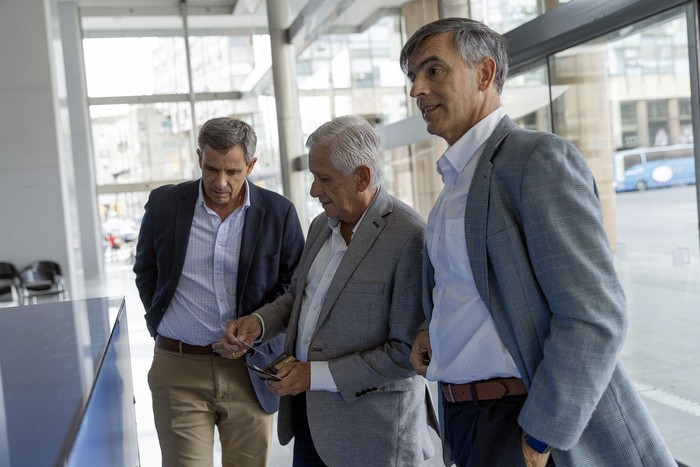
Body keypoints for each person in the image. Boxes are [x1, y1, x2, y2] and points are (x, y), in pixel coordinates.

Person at [399, 17, 676, 467]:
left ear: (485, 74)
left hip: (519, 419)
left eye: (434, 71)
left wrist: (542, 433)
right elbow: (472, 291)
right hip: (467, 418)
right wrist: (433, 332)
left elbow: (595, 315)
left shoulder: (536, 160)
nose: (416, 90)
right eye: (413, 77)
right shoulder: (454, 182)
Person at [213, 115, 437, 467]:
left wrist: (314, 374)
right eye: (314, 177)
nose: (314, 190)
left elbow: (405, 352)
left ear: (362, 176)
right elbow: (299, 298)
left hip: (372, 436)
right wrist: (258, 323)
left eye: (325, 179)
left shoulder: (409, 237)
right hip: (309, 425)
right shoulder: (321, 225)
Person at [133, 116, 305, 467]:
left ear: (251, 165)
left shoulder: (278, 213)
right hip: (178, 368)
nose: (221, 183)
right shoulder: (166, 205)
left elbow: (296, 287)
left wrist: (257, 325)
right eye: (212, 169)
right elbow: (146, 270)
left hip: (251, 371)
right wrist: (163, 323)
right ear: (199, 158)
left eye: (233, 172)